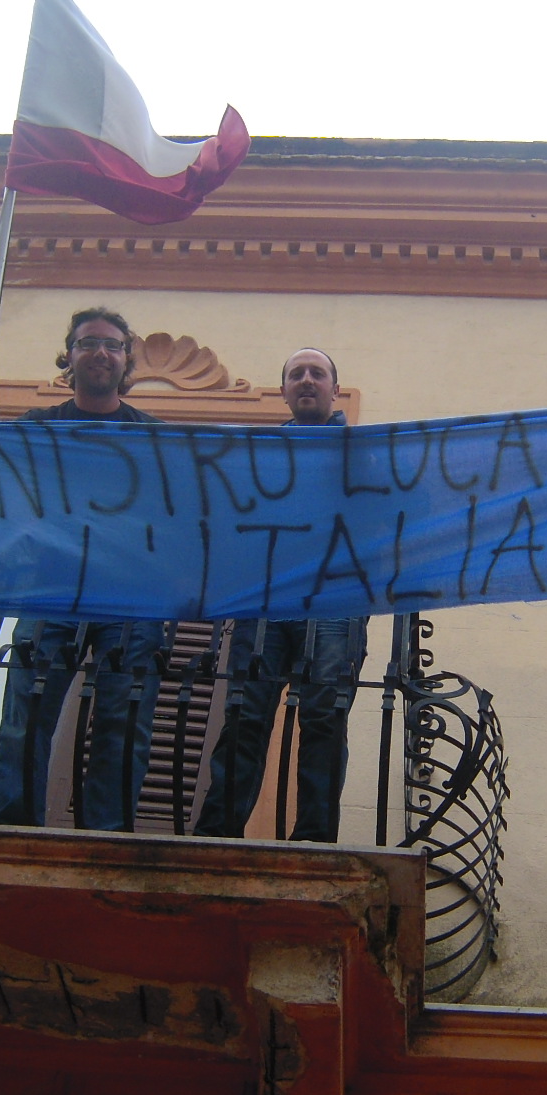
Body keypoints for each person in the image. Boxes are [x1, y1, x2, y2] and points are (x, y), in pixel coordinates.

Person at [0, 308, 165, 830]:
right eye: (88, 344)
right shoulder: (34, 430)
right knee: (25, 713)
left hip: (130, 596)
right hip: (49, 589)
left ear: (126, 359)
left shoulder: (155, 436)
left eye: (112, 344)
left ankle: (108, 837)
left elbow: (191, 510)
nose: (100, 353)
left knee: (123, 717)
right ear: (70, 357)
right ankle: (12, 827)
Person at [194, 348, 370, 843]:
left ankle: (314, 836)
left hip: (333, 605)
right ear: (285, 391)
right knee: (245, 717)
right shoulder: (260, 454)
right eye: (297, 374)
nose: (307, 380)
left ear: (335, 390)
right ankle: (217, 833)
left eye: (318, 374)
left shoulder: (365, 451)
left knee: (324, 718)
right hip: (266, 605)